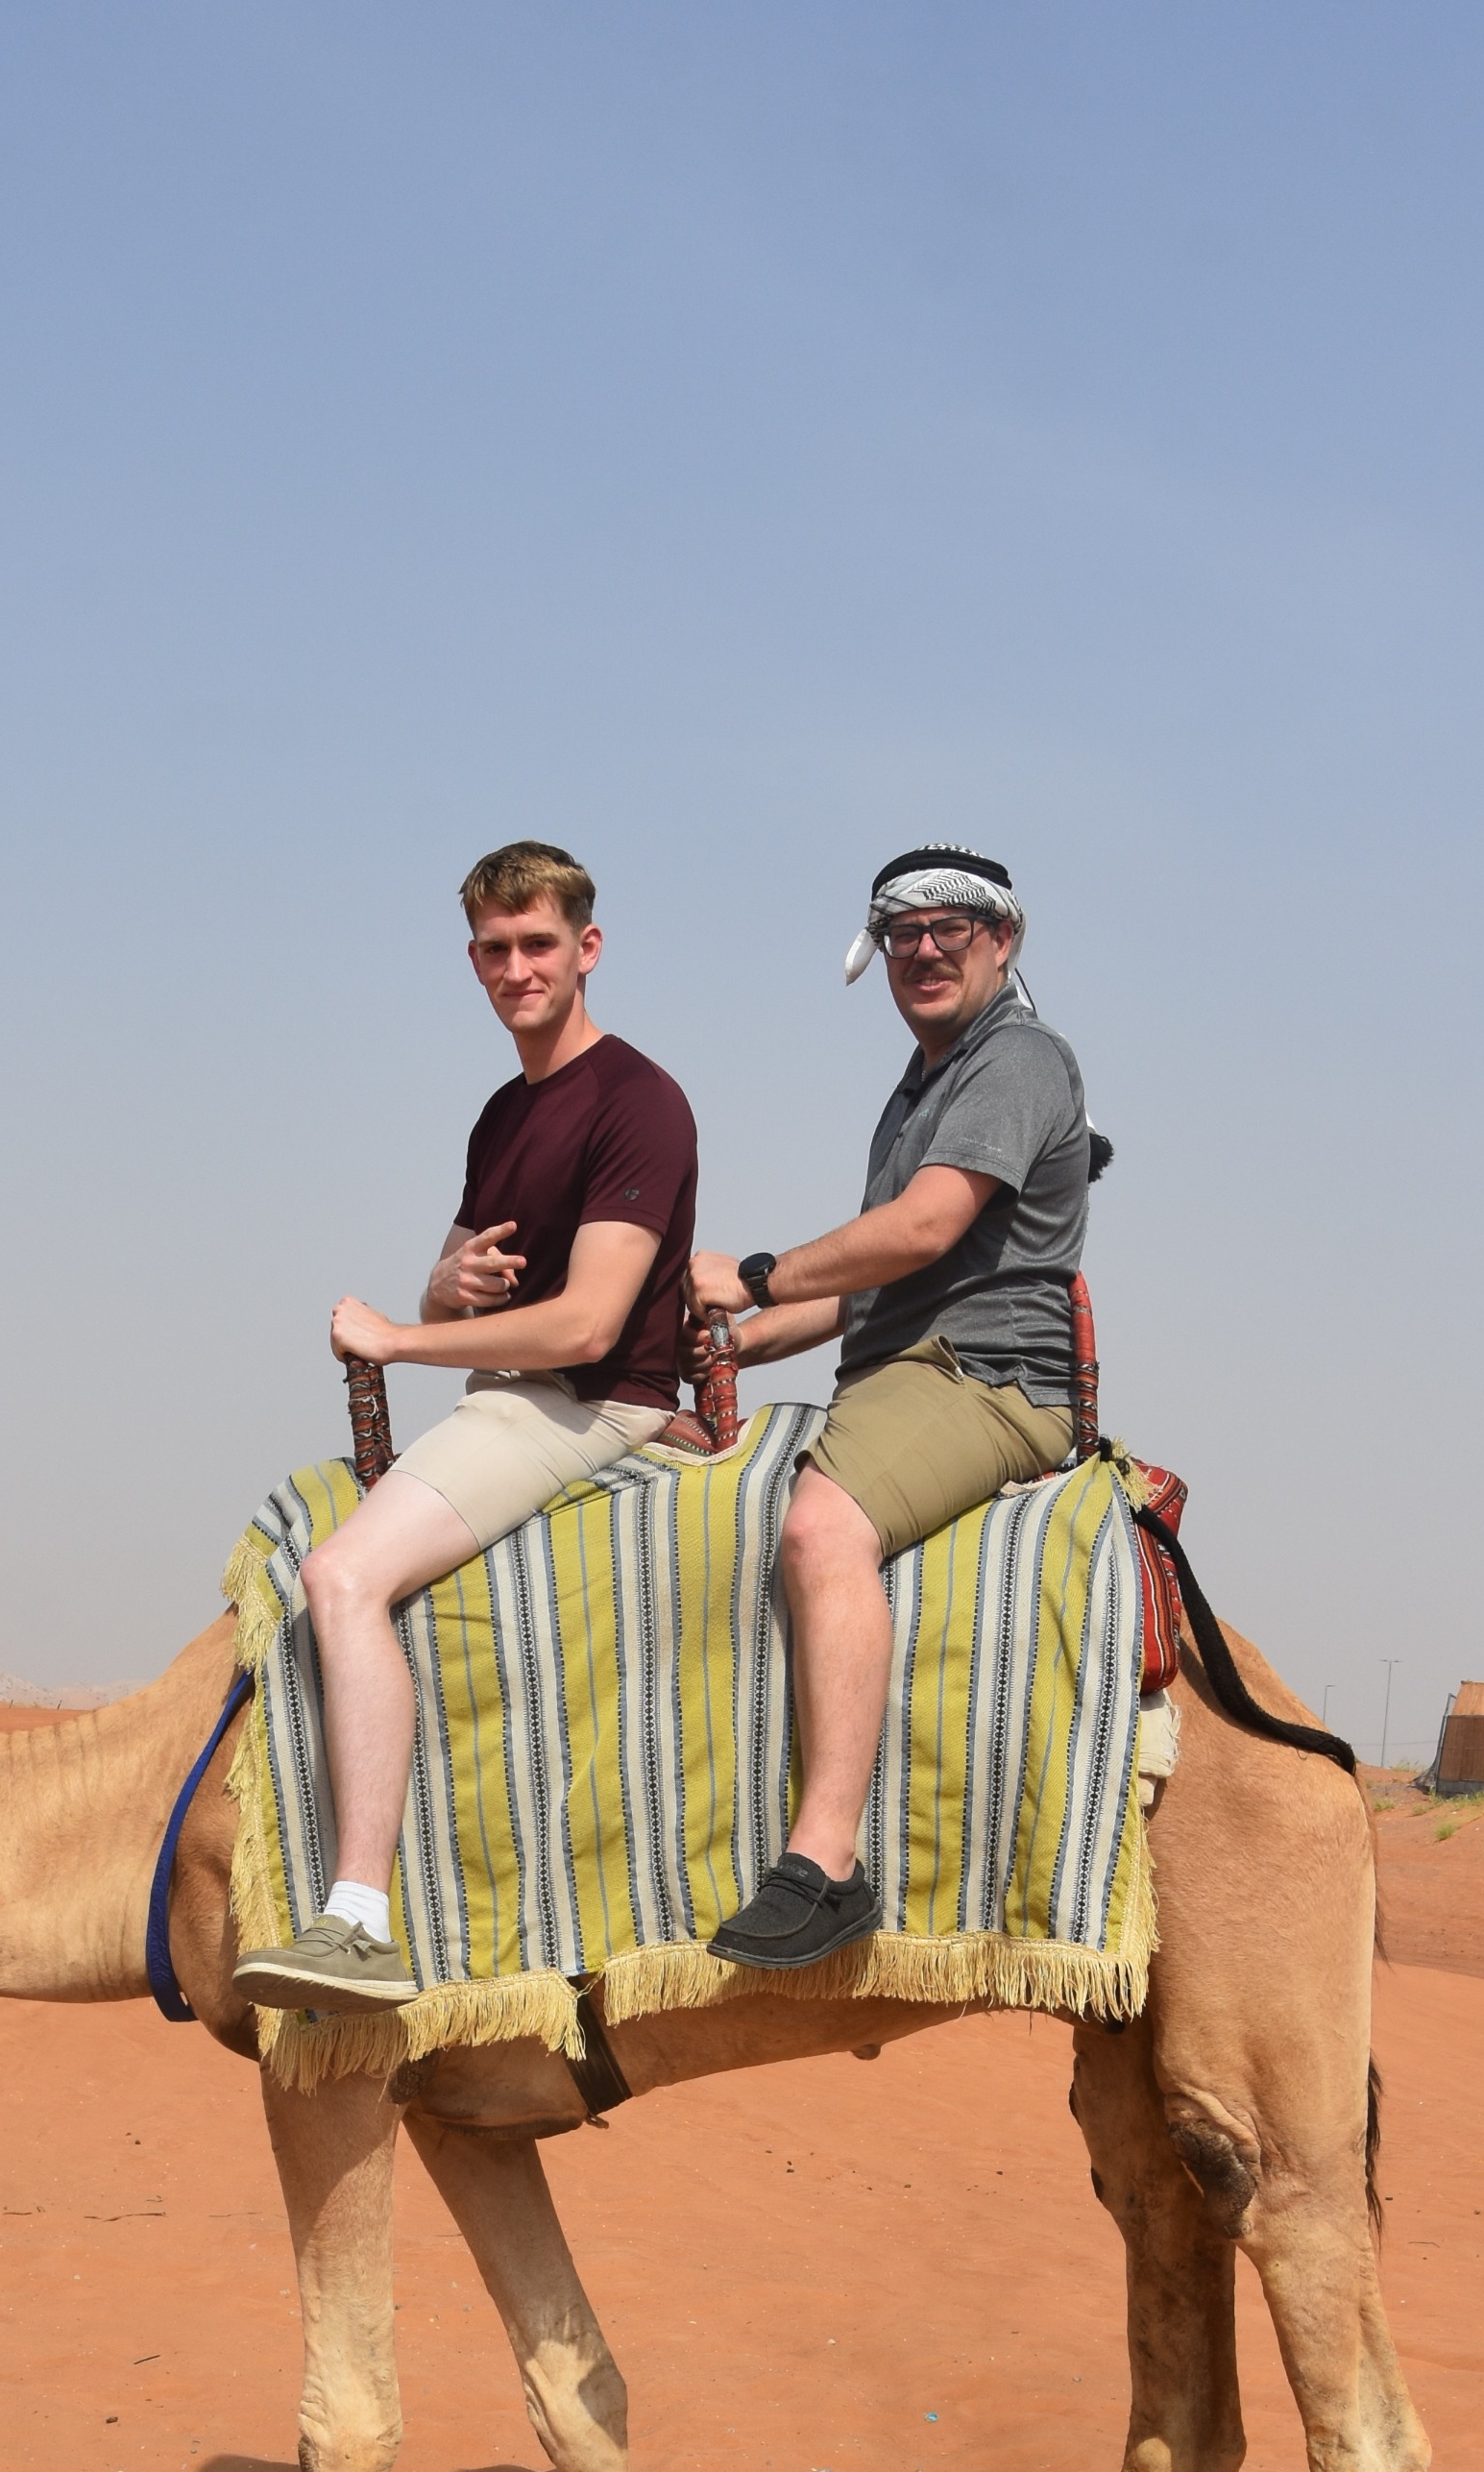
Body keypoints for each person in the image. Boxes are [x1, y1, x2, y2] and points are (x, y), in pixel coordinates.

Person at [234, 842, 700, 2015]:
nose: (516, 968)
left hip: (583, 1402)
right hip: (513, 1392)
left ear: (587, 949)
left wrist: (397, 1334)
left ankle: (359, 1918)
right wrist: (448, 1291)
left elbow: (590, 1322)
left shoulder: (639, 1102)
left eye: (538, 944)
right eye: (494, 950)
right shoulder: (507, 1112)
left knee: (340, 1576)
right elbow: (462, 1293)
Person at [687, 843, 1095, 1970]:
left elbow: (919, 1233)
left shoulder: (1017, 1059)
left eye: (950, 930)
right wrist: (728, 1342)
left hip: (984, 1375)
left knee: (822, 1527)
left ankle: (828, 1865)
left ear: (1000, 942)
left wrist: (756, 1274)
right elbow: (867, 1281)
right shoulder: (925, 1084)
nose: (925, 949)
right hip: (902, 1363)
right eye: (905, 933)